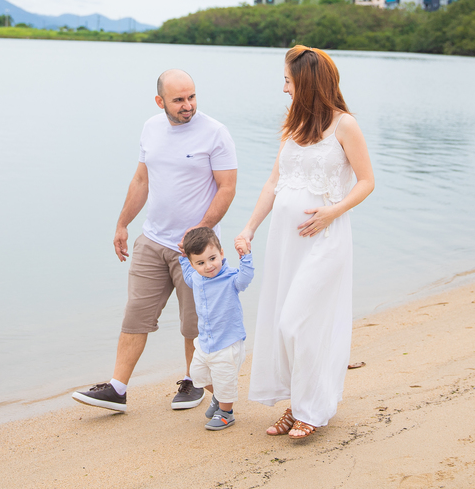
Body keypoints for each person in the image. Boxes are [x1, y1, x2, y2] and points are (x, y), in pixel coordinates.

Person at [73, 69, 238, 413]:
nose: (188, 105)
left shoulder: (215, 133)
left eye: (192, 97)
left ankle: (194, 382)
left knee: (194, 323)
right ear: (160, 101)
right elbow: (141, 180)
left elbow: (227, 187)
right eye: (178, 100)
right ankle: (117, 389)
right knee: (135, 315)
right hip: (152, 241)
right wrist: (122, 224)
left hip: (196, 252)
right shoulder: (150, 128)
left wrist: (199, 233)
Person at [234, 46, 375, 440]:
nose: (284, 89)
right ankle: (299, 404)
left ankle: (312, 408)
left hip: (325, 238)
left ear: (308, 83)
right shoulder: (293, 127)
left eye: (288, 81)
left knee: (297, 320)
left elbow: (367, 181)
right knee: (286, 322)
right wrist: (249, 228)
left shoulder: (345, 125)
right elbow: (273, 183)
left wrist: (333, 211)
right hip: (286, 243)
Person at [177, 227, 254, 431]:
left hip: (227, 343)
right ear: (193, 264)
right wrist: (183, 257)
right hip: (205, 342)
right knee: (197, 375)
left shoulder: (230, 278)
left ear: (221, 253)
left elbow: (246, 278)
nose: (209, 266)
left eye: (212, 258)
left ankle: (226, 413)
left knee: (225, 380)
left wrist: (245, 255)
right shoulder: (196, 278)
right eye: (200, 263)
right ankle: (218, 398)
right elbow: (187, 276)